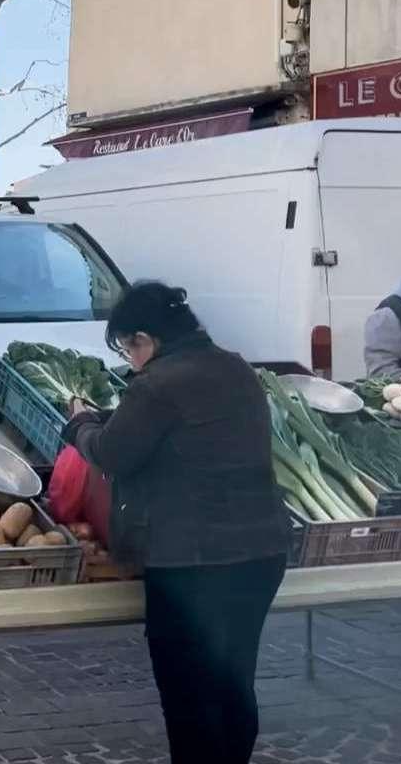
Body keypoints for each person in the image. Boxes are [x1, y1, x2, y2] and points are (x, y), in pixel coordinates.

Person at [62, 281, 290, 764]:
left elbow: (112, 454)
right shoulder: (236, 366)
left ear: (146, 339)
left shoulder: (158, 383)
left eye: (128, 348)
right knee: (233, 678)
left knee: (189, 694)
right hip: (261, 552)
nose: (130, 359)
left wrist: (79, 424)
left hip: (194, 560)